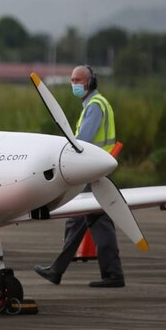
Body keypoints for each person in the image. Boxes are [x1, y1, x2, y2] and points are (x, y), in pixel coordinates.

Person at [34, 65, 125, 288]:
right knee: (95, 223)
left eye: (79, 80)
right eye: (72, 80)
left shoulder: (94, 106)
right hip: (96, 172)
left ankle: (59, 271)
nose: (74, 84)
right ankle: (110, 274)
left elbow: (82, 140)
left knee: (79, 219)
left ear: (91, 82)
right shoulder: (96, 104)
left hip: (92, 173)